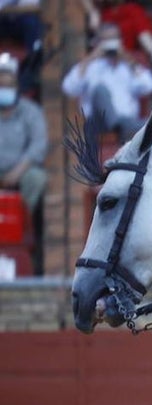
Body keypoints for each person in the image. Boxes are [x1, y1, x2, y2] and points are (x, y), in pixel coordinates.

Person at [62, 23, 152, 140]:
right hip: (98, 122)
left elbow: (149, 86)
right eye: (106, 40)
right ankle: (119, 126)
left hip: (127, 121)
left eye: (114, 39)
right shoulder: (91, 66)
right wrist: (91, 57)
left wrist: (127, 59)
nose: (110, 43)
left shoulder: (128, 66)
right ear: (97, 43)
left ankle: (120, 126)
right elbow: (69, 88)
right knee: (100, 90)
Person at [0, 52, 45, 265]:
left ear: (16, 86)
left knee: (37, 177)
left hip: (19, 172)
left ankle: (19, 223)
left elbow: (39, 145)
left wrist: (17, 171)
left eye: (8, 85)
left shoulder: (30, 111)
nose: (4, 90)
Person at [82, 0, 152, 70]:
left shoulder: (133, 9)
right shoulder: (103, 14)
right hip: (106, 18)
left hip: (128, 12)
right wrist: (92, 11)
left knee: (135, 14)